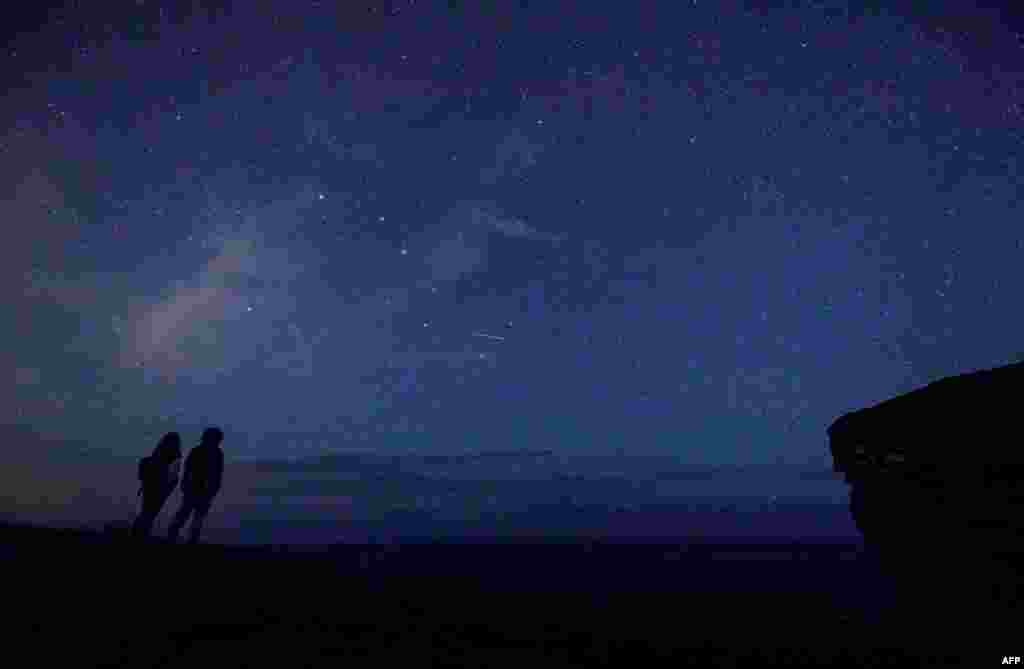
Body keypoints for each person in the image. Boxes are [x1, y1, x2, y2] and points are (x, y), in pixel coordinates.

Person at [167, 427, 224, 544]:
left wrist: (214, 489)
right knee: (189, 515)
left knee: (193, 516)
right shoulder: (204, 452)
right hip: (196, 489)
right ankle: (176, 536)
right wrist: (186, 485)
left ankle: (183, 537)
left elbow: (217, 473)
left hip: (202, 490)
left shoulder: (209, 452)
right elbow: (188, 470)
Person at [131, 432, 183, 539]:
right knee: (150, 512)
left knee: (146, 511)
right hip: (160, 488)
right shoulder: (175, 457)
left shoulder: (158, 454)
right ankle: (140, 533)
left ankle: (137, 533)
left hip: (151, 486)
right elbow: (174, 478)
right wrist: (168, 489)